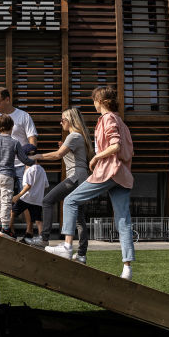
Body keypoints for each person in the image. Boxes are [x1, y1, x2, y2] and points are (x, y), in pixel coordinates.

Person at [46, 86, 136, 279]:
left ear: (101, 102)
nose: (93, 104)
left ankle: (68, 247)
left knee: (70, 201)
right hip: (122, 175)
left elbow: (115, 146)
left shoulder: (108, 119)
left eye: (94, 100)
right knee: (123, 221)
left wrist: (95, 158)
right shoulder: (121, 121)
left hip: (109, 171)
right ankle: (127, 268)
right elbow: (127, 150)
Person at [37, 107, 93, 262]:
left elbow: (57, 155)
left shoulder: (74, 136)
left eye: (63, 119)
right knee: (79, 218)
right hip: (81, 177)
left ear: (70, 120)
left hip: (75, 177)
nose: (60, 122)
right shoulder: (78, 137)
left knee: (47, 200)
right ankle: (81, 254)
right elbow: (73, 158)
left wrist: (36, 156)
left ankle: (44, 238)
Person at [0, 114, 36, 236]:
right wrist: (33, 162)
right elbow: (23, 158)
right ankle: (6, 228)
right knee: (6, 201)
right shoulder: (15, 142)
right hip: (7, 175)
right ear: (11, 127)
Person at [0, 87, 37, 186]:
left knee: (22, 197)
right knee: (4, 199)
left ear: (7, 100)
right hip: (2, 167)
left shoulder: (23, 116)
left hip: (21, 165)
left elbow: (32, 141)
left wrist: (28, 163)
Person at [9, 145, 47, 243]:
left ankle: (9, 231)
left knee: (13, 212)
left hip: (27, 198)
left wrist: (17, 196)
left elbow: (28, 185)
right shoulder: (42, 170)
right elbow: (46, 185)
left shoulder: (29, 169)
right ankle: (42, 239)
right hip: (38, 200)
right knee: (38, 220)